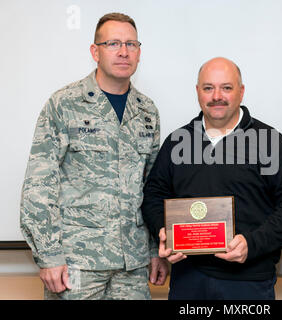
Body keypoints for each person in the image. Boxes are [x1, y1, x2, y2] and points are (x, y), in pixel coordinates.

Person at [20, 12, 168, 300]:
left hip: (133, 264)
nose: (124, 51)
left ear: (139, 53)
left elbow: (152, 188)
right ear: (95, 52)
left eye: (131, 44)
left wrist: (154, 250)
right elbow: (39, 185)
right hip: (77, 262)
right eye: (113, 43)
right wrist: (48, 255)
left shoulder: (147, 111)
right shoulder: (64, 104)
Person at [141, 57, 282, 300]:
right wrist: (164, 230)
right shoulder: (177, 142)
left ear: (241, 92)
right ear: (198, 92)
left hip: (249, 283)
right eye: (208, 88)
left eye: (227, 88)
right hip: (188, 280)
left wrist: (252, 244)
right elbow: (153, 196)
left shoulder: (269, 142)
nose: (217, 96)